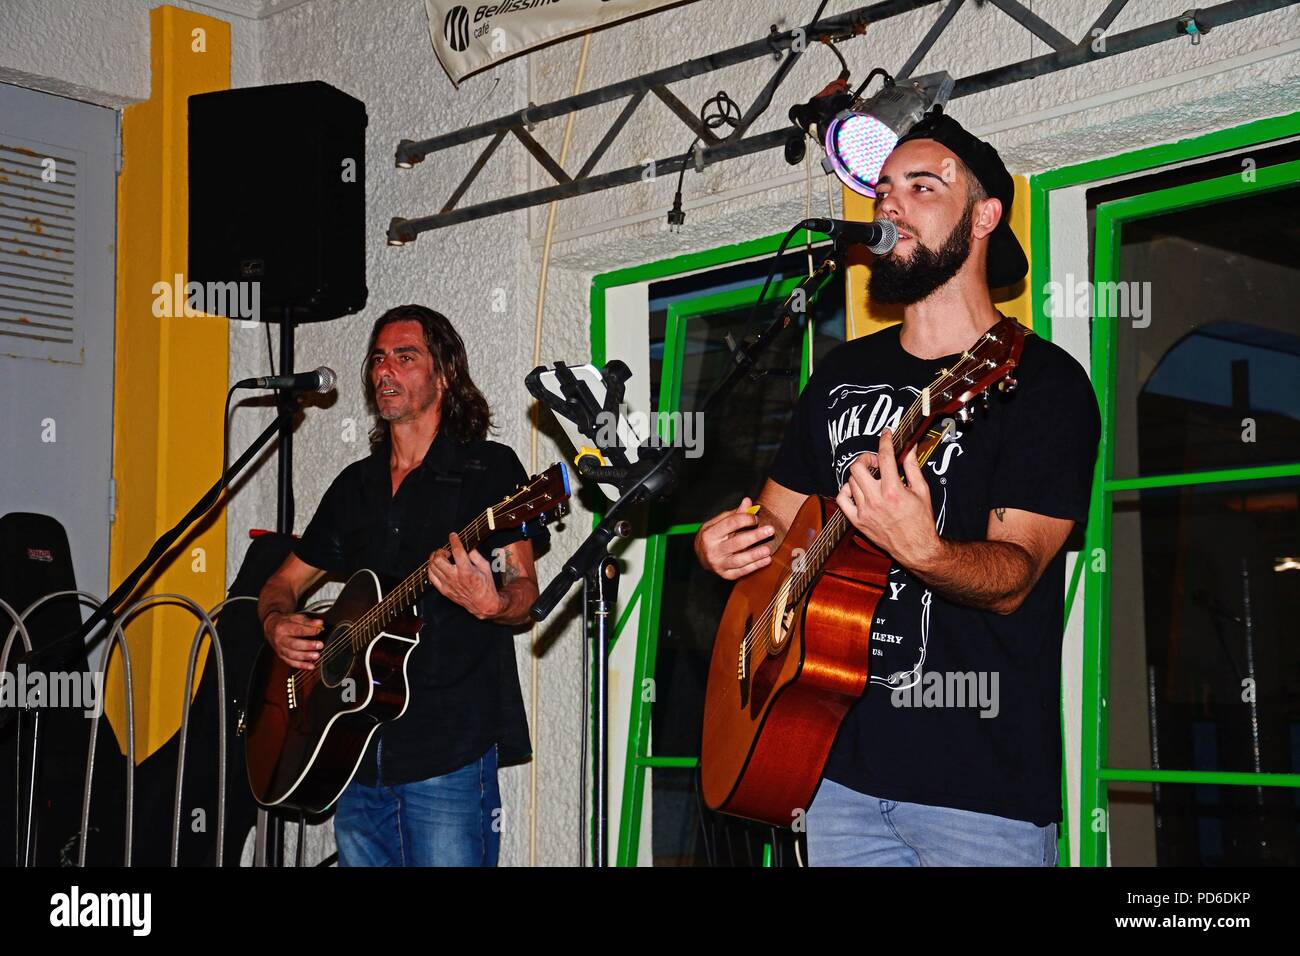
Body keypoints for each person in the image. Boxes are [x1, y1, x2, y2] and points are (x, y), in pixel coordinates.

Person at [694, 112, 1100, 866]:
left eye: (922, 186)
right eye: (883, 190)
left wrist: (927, 551)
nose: (889, 205)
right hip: (829, 770)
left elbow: (1015, 577)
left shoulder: (1041, 383)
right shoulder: (841, 376)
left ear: (985, 216)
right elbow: (773, 528)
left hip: (980, 794)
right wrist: (722, 545)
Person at [257, 304, 545, 867]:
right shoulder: (354, 486)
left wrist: (493, 603)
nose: (385, 370)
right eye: (378, 358)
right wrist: (275, 623)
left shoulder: (490, 471)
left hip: (448, 748)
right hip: (352, 748)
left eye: (405, 357)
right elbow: (280, 584)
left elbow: (525, 592)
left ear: (443, 374)